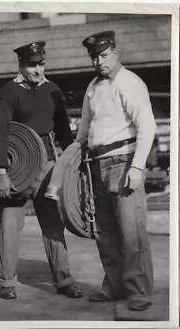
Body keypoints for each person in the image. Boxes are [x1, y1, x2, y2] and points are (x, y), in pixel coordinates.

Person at [0, 41, 83, 300]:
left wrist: (72, 166)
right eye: (32, 65)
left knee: (53, 224)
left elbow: (64, 131)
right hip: (16, 166)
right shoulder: (8, 92)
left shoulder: (53, 90)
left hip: (48, 163)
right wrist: (0, 172)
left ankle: (63, 280)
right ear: (21, 65)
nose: (38, 70)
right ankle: (7, 282)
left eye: (41, 64)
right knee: (8, 224)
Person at [76, 31, 156, 312]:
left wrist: (137, 166)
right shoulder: (93, 86)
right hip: (96, 164)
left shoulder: (130, 83)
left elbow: (147, 127)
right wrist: (75, 156)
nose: (99, 61)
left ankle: (138, 291)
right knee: (105, 232)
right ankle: (113, 285)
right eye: (95, 57)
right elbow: (85, 129)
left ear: (116, 53)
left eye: (104, 55)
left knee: (131, 231)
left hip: (124, 162)